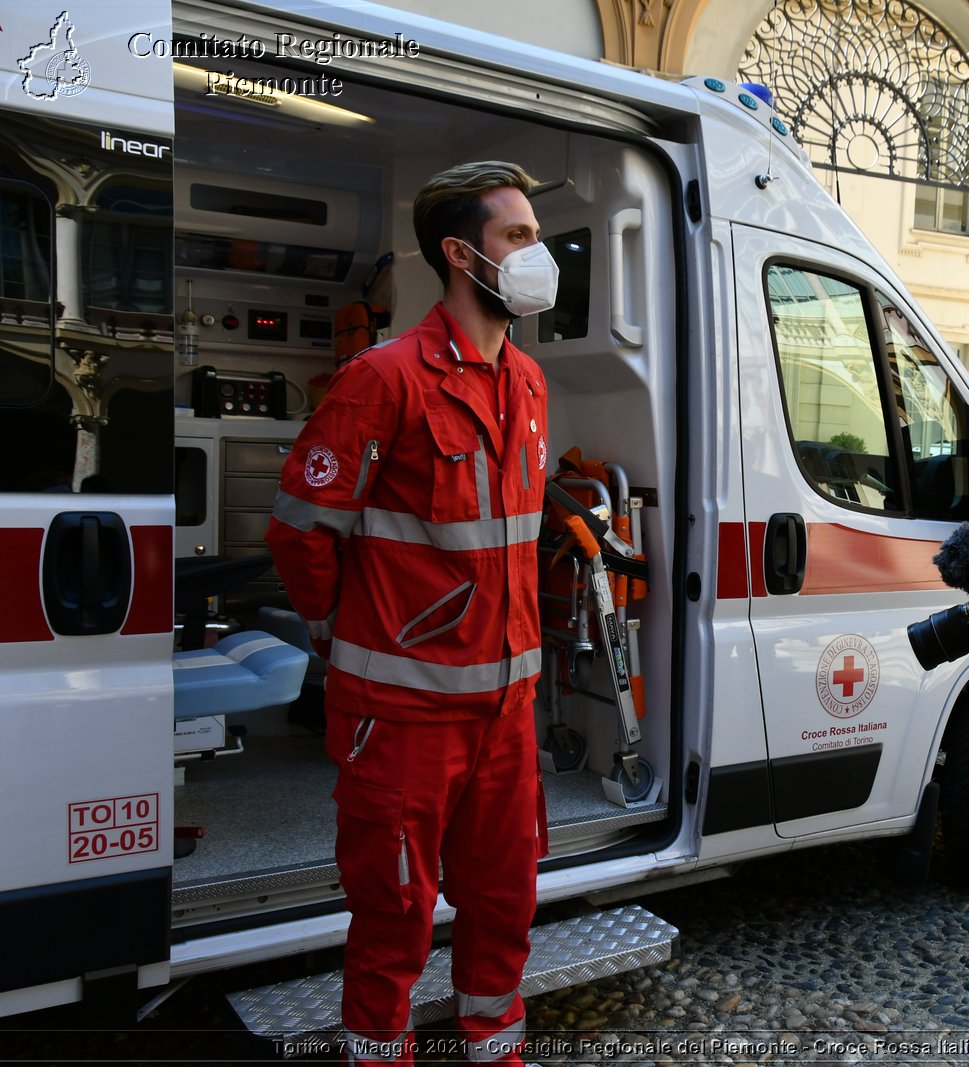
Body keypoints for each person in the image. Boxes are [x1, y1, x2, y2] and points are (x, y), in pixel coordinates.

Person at [266, 160, 559, 1066]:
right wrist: (342, 634)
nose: (537, 254)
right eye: (518, 237)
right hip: (401, 720)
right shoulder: (382, 380)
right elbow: (300, 533)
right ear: (461, 254)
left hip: (507, 716)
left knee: (505, 905)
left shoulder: (530, 383)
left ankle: (493, 1052)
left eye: (535, 236)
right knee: (393, 921)